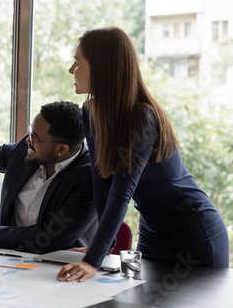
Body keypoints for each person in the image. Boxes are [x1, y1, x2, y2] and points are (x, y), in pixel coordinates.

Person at [57, 27, 230, 283]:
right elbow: (101, 183)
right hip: (153, 234)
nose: (72, 70)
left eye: (78, 62)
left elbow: (121, 192)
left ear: (102, 68)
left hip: (195, 235)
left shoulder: (142, 117)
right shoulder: (90, 112)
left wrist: (93, 259)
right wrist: (102, 247)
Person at [0, 101, 98, 253]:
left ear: (61, 149)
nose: (28, 140)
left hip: (57, 268)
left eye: (36, 138)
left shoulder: (90, 178)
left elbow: (50, 237)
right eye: (31, 132)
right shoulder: (25, 150)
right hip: (4, 257)